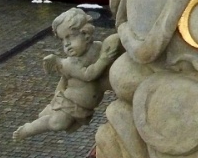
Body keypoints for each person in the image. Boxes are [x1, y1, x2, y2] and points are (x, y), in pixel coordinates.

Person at [14, 8, 123, 139]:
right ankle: (28, 129)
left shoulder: (98, 47)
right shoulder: (72, 62)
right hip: (71, 102)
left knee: (55, 119)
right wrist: (103, 60)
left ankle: (49, 111)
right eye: (62, 40)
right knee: (57, 124)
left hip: (82, 105)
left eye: (70, 37)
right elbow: (88, 75)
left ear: (86, 33)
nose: (67, 44)